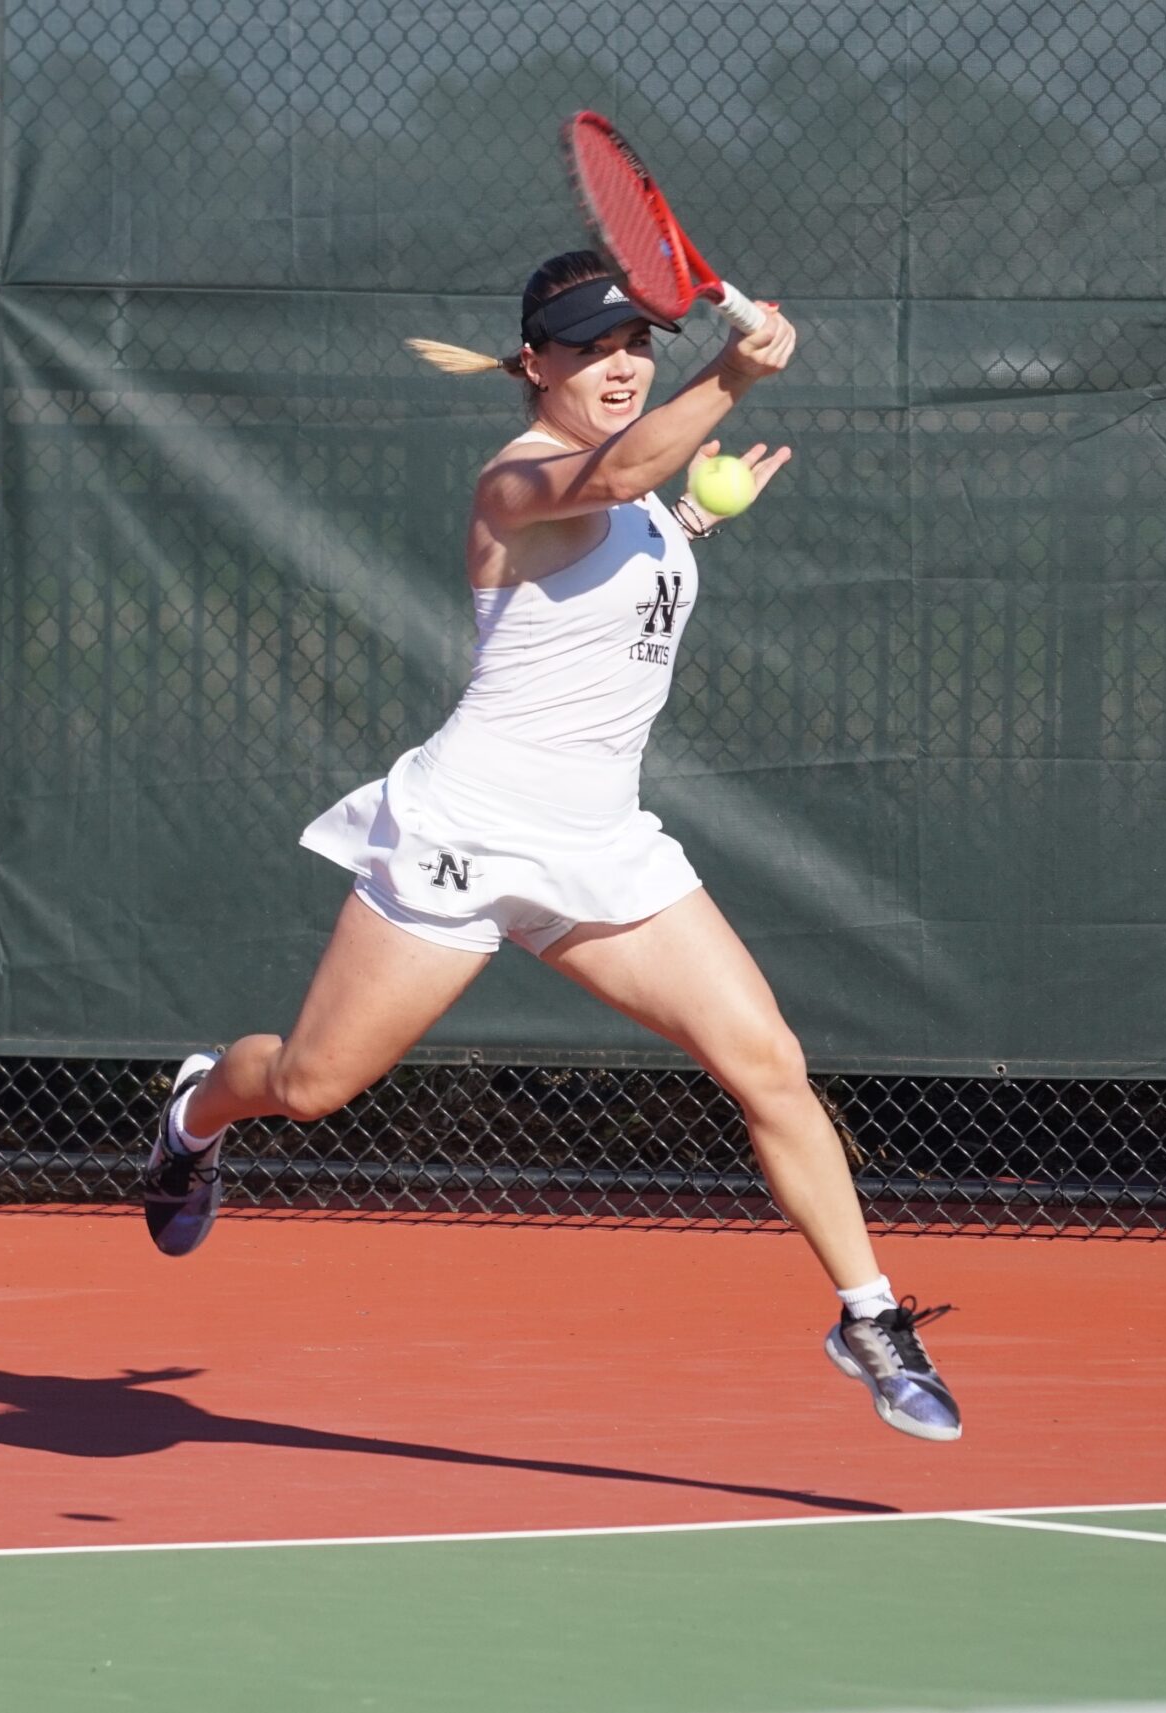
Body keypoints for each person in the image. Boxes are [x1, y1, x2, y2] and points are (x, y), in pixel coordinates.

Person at [136, 250, 962, 1443]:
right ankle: (195, 1115)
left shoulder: (639, 497)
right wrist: (733, 372)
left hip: (600, 845)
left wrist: (692, 521)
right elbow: (611, 474)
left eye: (636, 347)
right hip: (466, 836)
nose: (621, 367)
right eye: (591, 350)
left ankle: (867, 1315)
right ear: (535, 366)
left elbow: (614, 555)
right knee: (314, 1087)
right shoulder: (515, 480)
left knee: (765, 1059)